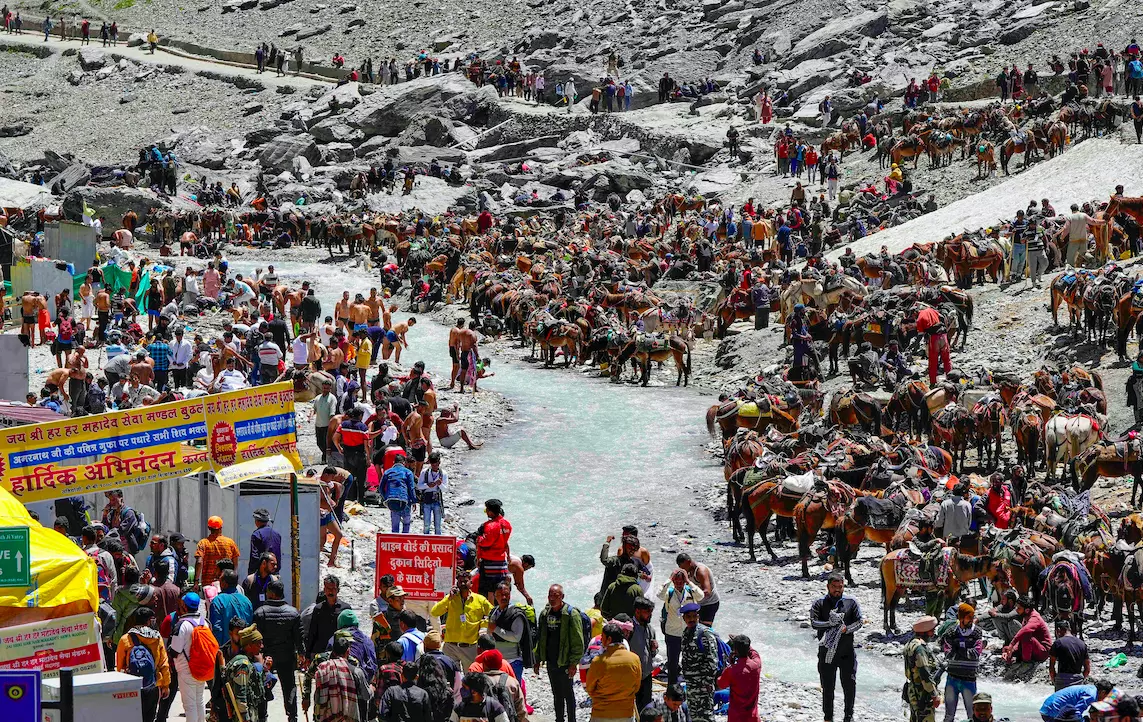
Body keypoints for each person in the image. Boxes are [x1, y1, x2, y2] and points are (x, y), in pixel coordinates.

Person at [810, 573, 862, 722]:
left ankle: (848, 716)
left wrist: (846, 629)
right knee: (827, 686)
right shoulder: (819, 603)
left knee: (849, 685)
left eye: (840, 587)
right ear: (828, 587)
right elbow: (814, 623)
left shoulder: (851, 602)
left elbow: (859, 622)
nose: (837, 590)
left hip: (847, 653)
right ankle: (828, 717)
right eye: (834, 587)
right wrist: (829, 624)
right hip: (826, 653)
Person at [253, 578, 303, 722]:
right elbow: (299, 637)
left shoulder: (260, 612)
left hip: (267, 657)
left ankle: (262, 716)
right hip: (286, 656)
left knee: (263, 685)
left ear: (271, 593)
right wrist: (302, 654)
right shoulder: (293, 613)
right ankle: (292, 716)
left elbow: (256, 638)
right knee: (289, 687)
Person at [533, 584, 585, 722]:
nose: (552, 598)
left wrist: (574, 663)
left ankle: (572, 720)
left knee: (568, 693)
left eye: (555, 596)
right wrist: (537, 659)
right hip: (551, 661)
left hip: (566, 662)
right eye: (550, 595)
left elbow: (578, 641)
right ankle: (559, 719)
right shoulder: (545, 614)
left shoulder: (571, 614)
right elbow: (541, 638)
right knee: (556, 694)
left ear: (562, 597)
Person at [116, 606, 171, 722]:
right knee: (149, 717)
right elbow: (164, 663)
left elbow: (120, 667)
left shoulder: (125, 639)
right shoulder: (156, 637)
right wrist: (166, 685)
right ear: (148, 621)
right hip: (153, 684)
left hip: (132, 686)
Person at [430, 569, 491, 669]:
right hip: (450, 646)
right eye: (460, 581)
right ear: (456, 583)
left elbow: (493, 615)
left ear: (471, 583)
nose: (462, 583)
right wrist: (449, 598)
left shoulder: (480, 600)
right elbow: (434, 612)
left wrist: (482, 624)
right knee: (450, 677)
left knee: (470, 677)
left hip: (470, 647)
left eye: (465, 581)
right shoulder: (450, 598)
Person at [586, 622, 642, 722]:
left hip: (602, 713)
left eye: (602, 637)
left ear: (609, 639)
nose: (601, 640)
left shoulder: (598, 661)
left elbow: (590, 688)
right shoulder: (635, 659)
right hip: (626, 713)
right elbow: (636, 687)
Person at [658, 569, 704, 684]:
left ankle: (689, 684)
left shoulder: (690, 591)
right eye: (676, 582)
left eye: (681, 582)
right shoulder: (669, 592)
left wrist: (689, 581)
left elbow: (701, 596)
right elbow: (659, 594)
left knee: (690, 660)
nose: (679, 584)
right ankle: (672, 687)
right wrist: (669, 579)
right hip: (672, 633)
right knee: (672, 662)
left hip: (688, 632)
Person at [314, 633, 372, 722]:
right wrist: (372, 688)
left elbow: (317, 698)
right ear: (348, 651)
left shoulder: (323, 669)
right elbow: (366, 695)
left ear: (333, 651)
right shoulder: (356, 671)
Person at [171, 593, 210, 722]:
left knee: (189, 705)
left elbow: (175, 650)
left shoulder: (182, 625)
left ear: (184, 606)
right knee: (199, 700)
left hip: (186, 670)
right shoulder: (205, 623)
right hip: (202, 668)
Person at [940, 603, 982, 722]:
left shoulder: (977, 632)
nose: (972, 620)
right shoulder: (951, 632)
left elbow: (975, 654)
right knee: (949, 716)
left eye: (972, 617)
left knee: (972, 715)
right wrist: (964, 652)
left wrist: (958, 649)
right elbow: (948, 654)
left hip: (969, 679)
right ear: (961, 618)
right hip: (952, 678)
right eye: (969, 617)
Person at [679, 603, 717, 722]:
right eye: (688, 617)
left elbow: (712, 661)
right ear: (684, 618)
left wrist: (706, 682)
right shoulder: (686, 633)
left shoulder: (704, 633)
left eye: (694, 616)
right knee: (694, 716)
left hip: (703, 687)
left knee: (706, 717)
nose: (691, 619)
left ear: (698, 616)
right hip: (691, 685)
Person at [221, 625, 267, 722]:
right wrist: (245, 717)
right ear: (249, 645)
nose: (261, 646)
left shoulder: (246, 661)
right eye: (258, 643)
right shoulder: (243, 665)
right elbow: (240, 693)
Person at [487, 581, 530, 684]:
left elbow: (516, 637)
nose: (504, 597)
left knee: (513, 689)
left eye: (506, 594)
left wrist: (496, 629)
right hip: (496, 660)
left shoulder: (516, 614)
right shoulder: (494, 612)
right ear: (495, 595)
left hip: (513, 660)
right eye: (501, 595)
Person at [904, 616, 941, 722]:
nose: (933, 633)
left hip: (912, 691)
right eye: (932, 630)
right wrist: (934, 694)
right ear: (925, 631)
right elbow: (924, 672)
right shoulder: (920, 648)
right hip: (922, 693)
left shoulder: (910, 644)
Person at [716, 635, 760, 722]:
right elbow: (755, 654)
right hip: (752, 716)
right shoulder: (756, 665)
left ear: (735, 651)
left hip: (736, 717)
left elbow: (720, 684)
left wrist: (730, 664)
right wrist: (746, 645)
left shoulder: (731, 670)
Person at [308, 575, 351, 658]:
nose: (330, 592)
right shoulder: (318, 609)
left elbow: (350, 632)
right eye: (328, 589)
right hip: (320, 652)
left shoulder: (345, 608)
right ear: (324, 590)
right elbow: (312, 632)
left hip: (339, 653)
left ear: (338, 590)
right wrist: (308, 654)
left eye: (333, 589)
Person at [1002, 597, 1051, 668]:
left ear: (1027, 610)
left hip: (1043, 652)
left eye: (1019, 608)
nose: (1016, 610)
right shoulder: (1026, 617)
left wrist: (1012, 644)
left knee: (1026, 636)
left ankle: (1026, 663)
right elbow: (1020, 639)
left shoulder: (1035, 617)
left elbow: (1025, 630)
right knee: (1006, 649)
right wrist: (1011, 650)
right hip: (1033, 648)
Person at [476, 499, 512, 597]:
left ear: (491, 511)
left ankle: (490, 610)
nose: (486, 512)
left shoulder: (490, 526)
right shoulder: (507, 524)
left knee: (488, 591)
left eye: (486, 510)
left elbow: (486, 543)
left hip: (489, 563)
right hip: (501, 563)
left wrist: (479, 538)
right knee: (500, 589)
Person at [210, 569, 254, 645]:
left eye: (220, 580)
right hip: (244, 648)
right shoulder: (246, 600)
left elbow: (216, 628)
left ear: (224, 583)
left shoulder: (218, 601)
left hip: (226, 649)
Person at [629, 596, 658, 711]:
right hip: (631, 676)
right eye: (647, 612)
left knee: (646, 708)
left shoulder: (650, 629)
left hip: (646, 675)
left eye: (651, 612)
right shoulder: (629, 628)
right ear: (637, 611)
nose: (650, 615)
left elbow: (652, 654)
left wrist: (653, 649)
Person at [196, 516, 239, 589]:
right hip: (226, 583)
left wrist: (196, 581)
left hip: (208, 585)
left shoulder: (203, 543)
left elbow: (199, 562)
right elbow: (235, 563)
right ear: (221, 528)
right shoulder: (230, 543)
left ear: (209, 528)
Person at [1040, 679, 1114, 722]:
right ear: (1103, 692)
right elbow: (1076, 713)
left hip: (1048, 708)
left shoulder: (1091, 689)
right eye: (1106, 696)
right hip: (1052, 711)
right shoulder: (1092, 695)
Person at [676, 553, 718, 624]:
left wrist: (693, 596)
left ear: (689, 562)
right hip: (698, 603)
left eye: (683, 568)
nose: (683, 570)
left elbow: (707, 591)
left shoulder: (701, 571)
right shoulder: (687, 570)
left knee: (704, 629)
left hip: (709, 603)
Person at [1049, 619, 1090, 690]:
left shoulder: (1058, 643)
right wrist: (1081, 679)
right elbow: (1087, 668)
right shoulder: (1082, 644)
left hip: (1062, 680)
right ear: (1069, 629)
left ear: (1058, 630)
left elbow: (1051, 667)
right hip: (1078, 681)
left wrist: (1055, 681)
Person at [915, 305, 950, 386]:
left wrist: (914, 346)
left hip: (934, 339)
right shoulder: (931, 309)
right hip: (943, 336)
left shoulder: (919, 318)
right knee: (946, 360)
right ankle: (950, 379)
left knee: (933, 362)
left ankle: (933, 383)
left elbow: (920, 335)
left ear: (916, 312)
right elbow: (942, 316)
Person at [382, 453, 417, 533]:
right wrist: (414, 501)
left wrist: (386, 497)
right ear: (404, 462)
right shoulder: (408, 472)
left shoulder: (388, 472)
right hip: (405, 501)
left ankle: (395, 543)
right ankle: (404, 541)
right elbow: (411, 488)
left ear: (394, 462)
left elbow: (381, 487)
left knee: (395, 526)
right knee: (406, 524)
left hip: (392, 500)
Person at [417, 451, 447, 535]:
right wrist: (427, 485)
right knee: (426, 524)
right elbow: (419, 486)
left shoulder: (443, 473)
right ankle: (426, 539)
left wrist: (440, 484)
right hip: (426, 500)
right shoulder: (424, 472)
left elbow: (445, 489)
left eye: (436, 465)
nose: (434, 467)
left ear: (439, 463)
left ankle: (438, 541)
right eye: (433, 465)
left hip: (437, 500)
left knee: (438, 525)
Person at [248, 508, 282, 576]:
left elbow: (254, 557)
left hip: (261, 574)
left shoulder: (256, 534)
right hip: (275, 573)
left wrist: (251, 573)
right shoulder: (277, 534)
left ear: (257, 521)